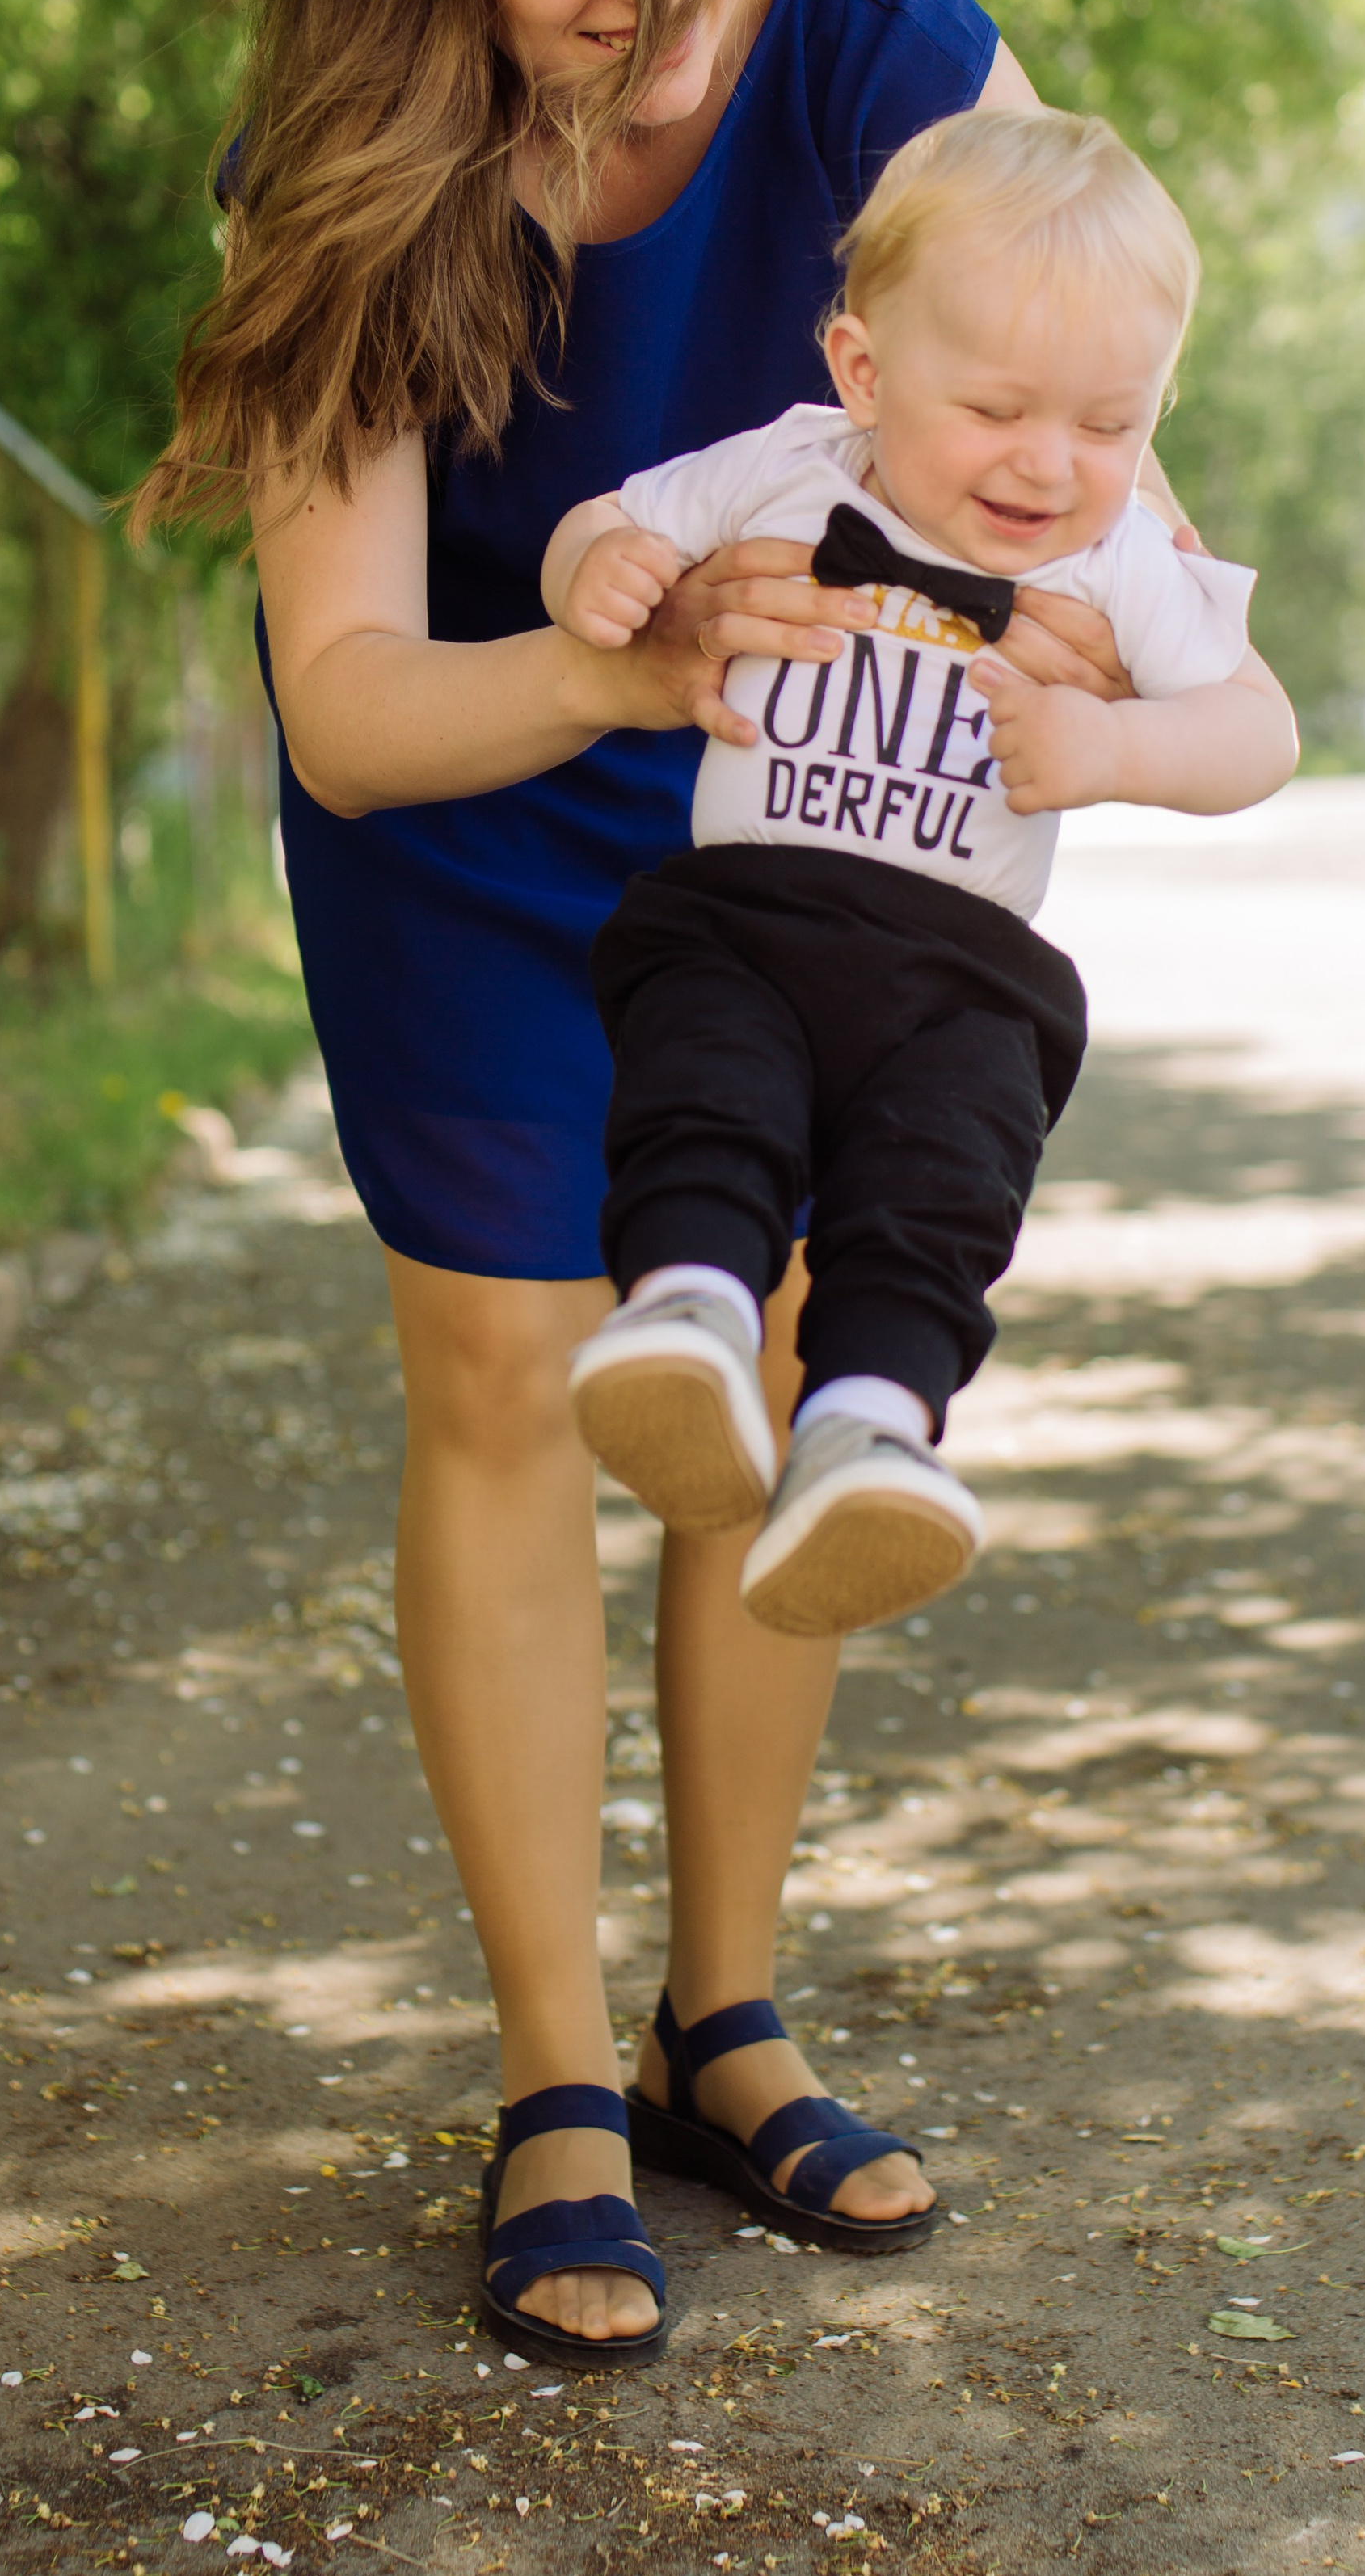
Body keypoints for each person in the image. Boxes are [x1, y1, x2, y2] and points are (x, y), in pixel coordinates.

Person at [137, 0, 1201, 2363]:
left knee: (799, 1347)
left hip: (801, 783)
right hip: (491, 760)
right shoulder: (349, 164)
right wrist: (636, 649)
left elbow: (1085, 426)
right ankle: (549, 2081)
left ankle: (725, 2011)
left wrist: (1118, 653)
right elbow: (354, 706)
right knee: (510, 1372)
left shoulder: (883, 40)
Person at [553, 106, 1299, 1634]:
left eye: (1111, 426)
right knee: (705, 1091)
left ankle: (869, 1426)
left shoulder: (1111, 561)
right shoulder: (783, 470)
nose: (1051, 464)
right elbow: (610, 519)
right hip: (748, 914)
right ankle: (686, 1313)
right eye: (1002, 409)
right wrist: (599, 573)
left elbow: (1258, 733)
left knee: (943, 1184)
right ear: (865, 372)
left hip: (956, 966)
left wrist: (1112, 751)